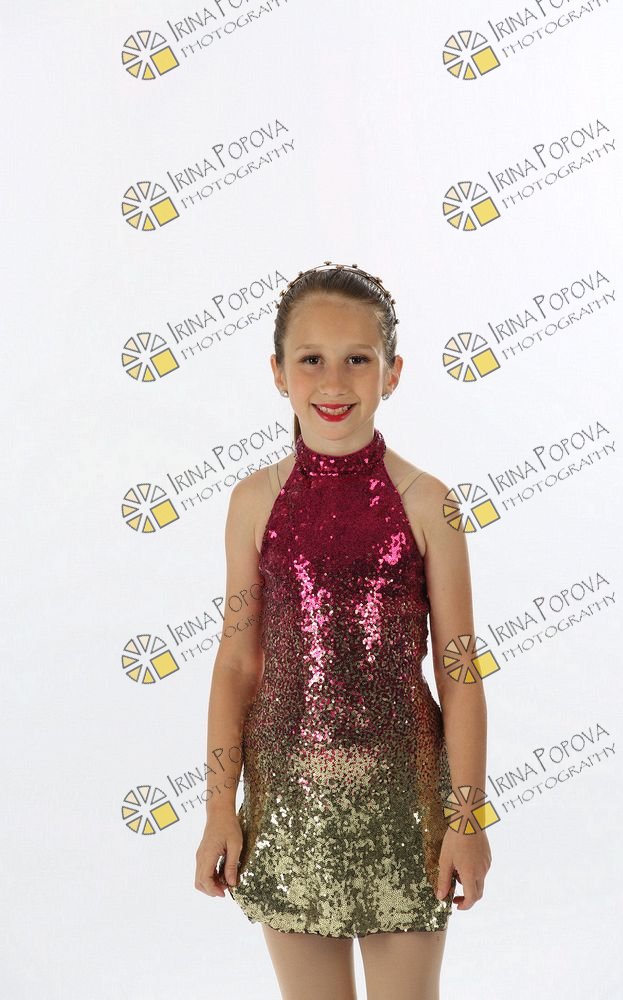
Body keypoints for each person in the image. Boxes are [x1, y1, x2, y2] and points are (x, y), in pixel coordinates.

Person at [194, 262, 492, 1000]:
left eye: (358, 359)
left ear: (392, 372)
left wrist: (466, 817)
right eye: (311, 360)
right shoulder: (253, 502)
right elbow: (236, 665)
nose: (334, 382)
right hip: (288, 802)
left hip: (405, 803)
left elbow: (459, 673)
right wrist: (218, 809)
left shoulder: (427, 503)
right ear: (278, 372)